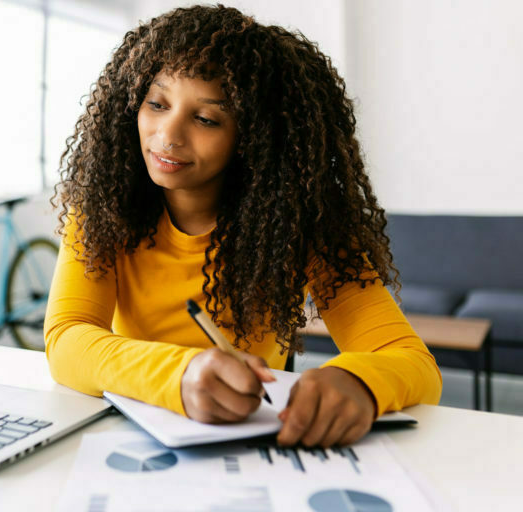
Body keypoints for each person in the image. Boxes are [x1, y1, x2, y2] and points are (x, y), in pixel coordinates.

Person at [44, 4, 442, 448]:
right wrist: (181, 374)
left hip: (252, 442)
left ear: (255, 138)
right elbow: (67, 339)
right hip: (125, 436)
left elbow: (412, 362)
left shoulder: (302, 222)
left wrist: (359, 383)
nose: (168, 136)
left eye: (206, 119)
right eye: (157, 104)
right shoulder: (102, 208)